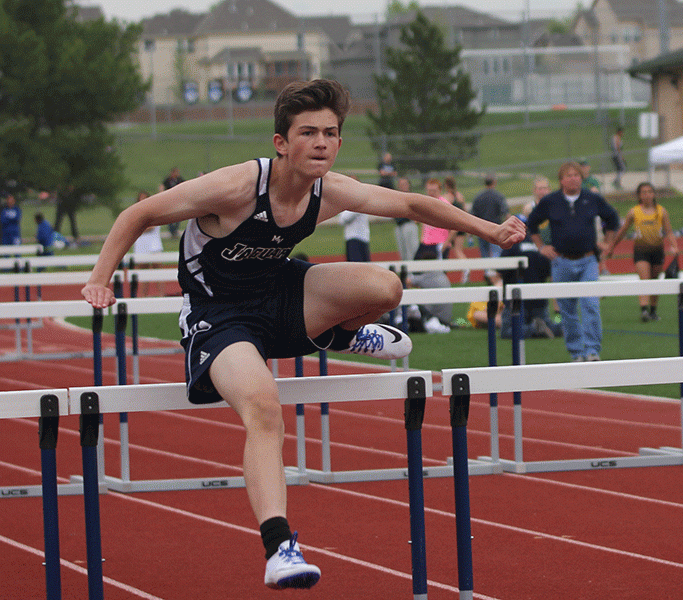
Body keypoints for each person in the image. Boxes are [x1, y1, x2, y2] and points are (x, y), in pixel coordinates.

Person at [80, 79, 525, 591]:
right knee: (264, 408)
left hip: (283, 295)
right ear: (281, 143)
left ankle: (340, 334)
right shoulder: (235, 186)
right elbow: (138, 213)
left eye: (330, 133)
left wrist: (489, 231)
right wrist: (99, 279)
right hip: (220, 314)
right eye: (308, 132)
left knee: (386, 287)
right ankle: (278, 548)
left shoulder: (329, 191)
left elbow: (411, 205)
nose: (320, 142)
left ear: (339, 142)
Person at [526, 161, 620, 362]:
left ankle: (593, 350)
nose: (573, 178)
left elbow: (612, 218)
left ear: (581, 178)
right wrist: (542, 247)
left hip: (588, 261)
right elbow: (531, 224)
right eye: (568, 175)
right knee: (567, 310)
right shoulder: (551, 201)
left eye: (576, 175)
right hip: (561, 262)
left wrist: (608, 242)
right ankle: (576, 352)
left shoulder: (591, 198)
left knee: (591, 305)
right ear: (561, 180)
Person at [605, 182, 678, 322]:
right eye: (644, 192)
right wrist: (612, 246)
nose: (647, 195)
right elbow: (623, 231)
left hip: (657, 250)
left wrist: (675, 246)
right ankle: (644, 310)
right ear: (639, 195)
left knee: (655, 281)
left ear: (654, 194)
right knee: (644, 280)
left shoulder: (661, 211)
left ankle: (653, 311)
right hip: (641, 250)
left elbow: (669, 231)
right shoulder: (634, 212)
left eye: (650, 191)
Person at [131, 190, 166, 296]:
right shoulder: (135, 213)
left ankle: (161, 294)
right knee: (143, 273)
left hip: (154, 246)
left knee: (158, 270)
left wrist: (139, 228)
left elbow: (151, 227)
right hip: (141, 246)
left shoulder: (154, 211)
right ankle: (143, 296)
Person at [469, 174, 508, 259]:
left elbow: (472, 215)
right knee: (496, 252)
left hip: (482, 229)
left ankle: (487, 271)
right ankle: (496, 270)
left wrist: (470, 235)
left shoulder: (478, 197)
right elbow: (505, 213)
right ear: (494, 182)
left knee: (484, 253)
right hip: (496, 228)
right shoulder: (498, 196)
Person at [415, 178, 455, 259]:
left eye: (434, 191)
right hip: (426, 243)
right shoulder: (426, 203)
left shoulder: (444, 205)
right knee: (417, 268)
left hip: (439, 243)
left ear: (440, 190)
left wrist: (445, 245)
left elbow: (455, 228)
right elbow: (424, 223)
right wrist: (422, 238)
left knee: (438, 270)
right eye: (429, 190)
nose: (431, 193)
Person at [392, 176, 419, 261]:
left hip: (409, 224)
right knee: (402, 251)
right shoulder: (397, 198)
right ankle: (406, 271)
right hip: (399, 226)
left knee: (411, 249)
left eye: (405, 184)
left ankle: (413, 272)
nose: (403, 186)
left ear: (408, 185)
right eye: (401, 184)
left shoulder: (412, 197)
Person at [161, 166, 185, 238]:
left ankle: (175, 230)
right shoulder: (168, 180)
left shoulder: (179, 180)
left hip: (178, 199)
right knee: (169, 215)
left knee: (178, 216)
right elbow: (162, 186)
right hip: (170, 199)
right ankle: (171, 231)